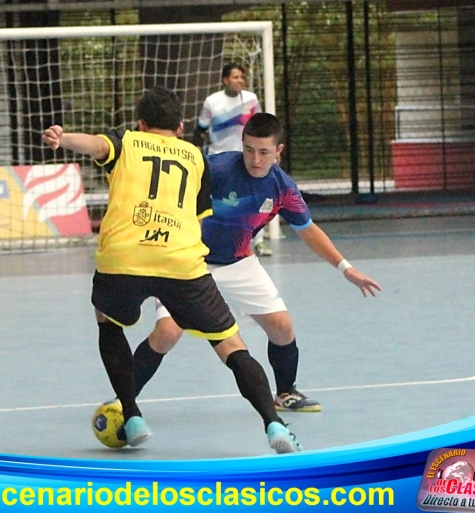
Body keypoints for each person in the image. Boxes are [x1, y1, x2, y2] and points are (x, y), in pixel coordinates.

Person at [42, 87, 302, 454]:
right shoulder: (196, 157)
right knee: (230, 344)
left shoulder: (129, 142)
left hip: (125, 256)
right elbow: (199, 218)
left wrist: (63, 137)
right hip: (182, 262)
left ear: (141, 124)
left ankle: (131, 415)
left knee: (108, 320)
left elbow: (97, 146)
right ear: (180, 127)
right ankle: (274, 425)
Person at [131, 113, 382, 414]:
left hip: (238, 262)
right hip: (187, 261)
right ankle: (125, 399)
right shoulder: (218, 168)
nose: (255, 159)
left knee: (282, 327)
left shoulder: (282, 188)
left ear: (278, 151)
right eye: (249, 149)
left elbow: (308, 230)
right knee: (167, 333)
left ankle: (286, 393)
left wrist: (346, 268)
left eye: (264, 152)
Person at [192, 62, 272, 257]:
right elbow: (200, 130)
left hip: (245, 159)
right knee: (218, 202)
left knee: (255, 200)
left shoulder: (251, 100)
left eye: (242, 77)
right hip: (219, 160)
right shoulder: (212, 102)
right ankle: (206, 241)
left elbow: (262, 126)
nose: (239, 81)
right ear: (225, 80)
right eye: (235, 77)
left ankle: (258, 242)